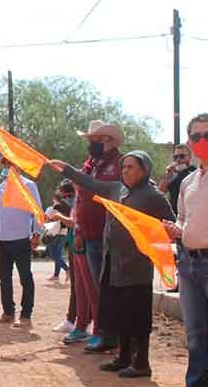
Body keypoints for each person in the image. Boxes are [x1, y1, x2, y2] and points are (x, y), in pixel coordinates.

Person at [51, 150, 175, 378]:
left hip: (137, 267)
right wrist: (67, 169)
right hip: (113, 264)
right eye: (124, 167)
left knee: (137, 317)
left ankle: (141, 364)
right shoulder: (116, 189)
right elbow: (89, 182)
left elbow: (171, 225)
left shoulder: (153, 196)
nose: (125, 171)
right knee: (119, 315)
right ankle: (124, 358)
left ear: (145, 170)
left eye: (131, 167)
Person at [163, 113, 208, 387]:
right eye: (195, 137)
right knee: (195, 334)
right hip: (189, 264)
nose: (202, 141)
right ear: (189, 142)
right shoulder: (188, 182)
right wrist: (175, 228)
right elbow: (182, 217)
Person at [74, 120, 124, 352]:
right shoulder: (88, 165)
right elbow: (80, 200)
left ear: (109, 140)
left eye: (96, 139)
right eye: (90, 139)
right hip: (89, 234)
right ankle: (103, 332)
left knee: (109, 287)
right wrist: (77, 229)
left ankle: (109, 334)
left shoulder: (120, 164)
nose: (92, 143)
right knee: (96, 286)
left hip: (110, 236)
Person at [0, 158, 43, 328]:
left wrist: (36, 233)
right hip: (3, 240)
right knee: (4, 279)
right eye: (5, 165)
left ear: (19, 166)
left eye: (10, 164)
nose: (7, 168)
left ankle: (26, 315)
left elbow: (37, 210)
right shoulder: (1, 188)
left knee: (25, 278)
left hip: (21, 238)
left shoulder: (29, 186)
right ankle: (8, 313)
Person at [51, 180, 79, 334]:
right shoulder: (68, 204)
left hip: (81, 246)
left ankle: (83, 321)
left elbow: (73, 222)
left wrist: (59, 216)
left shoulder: (74, 203)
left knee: (81, 287)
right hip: (74, 244)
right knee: (76, 286)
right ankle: (72, 319)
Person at [159, 144, 196, 214]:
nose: (178, 159)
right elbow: (161, 192)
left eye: (182, 156)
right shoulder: (172, 173)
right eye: (175, 157)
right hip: (173, 215)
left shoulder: (195, 173)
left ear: (189, 157)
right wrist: (167, 176)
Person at [45, 191, 70, 283]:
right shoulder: (66, 207)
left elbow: (48, 218)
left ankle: (67, 270)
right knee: (57, 254)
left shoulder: (53, 208)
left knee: (53, 253)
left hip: (55, 232)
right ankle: (56, 275)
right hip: (63, 232)